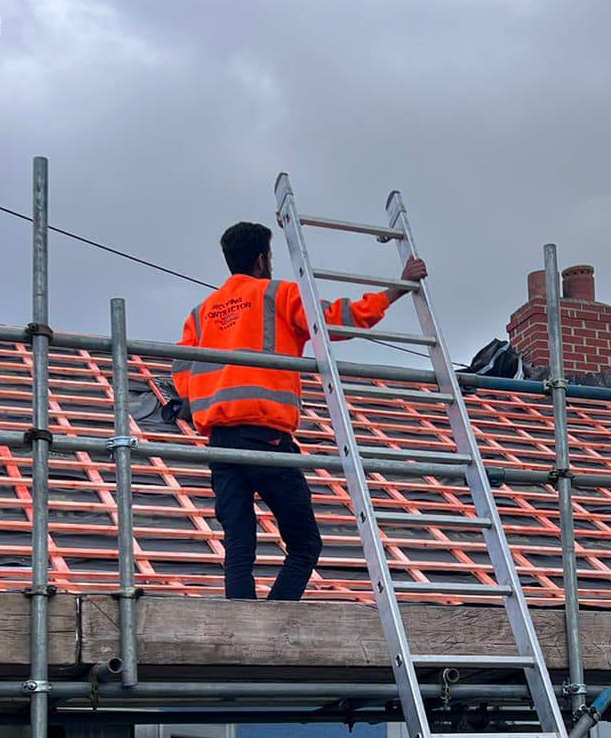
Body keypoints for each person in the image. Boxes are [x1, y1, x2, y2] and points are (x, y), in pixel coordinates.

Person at [172, 222, 426, 600]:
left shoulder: (201, 312)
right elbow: (338, 320)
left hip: (220, 442)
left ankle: (244, 626)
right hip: (267, 438)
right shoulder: (279, 294)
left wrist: (214, 403)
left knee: (239, 546)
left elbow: (181, 373)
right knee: (305, 544)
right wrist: (396, 290)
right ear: (261, 260)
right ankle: (273, 622)